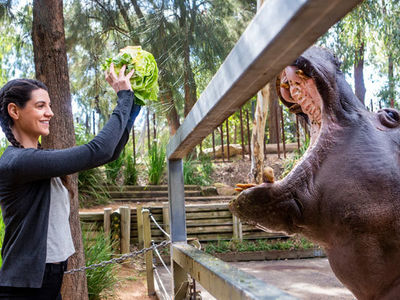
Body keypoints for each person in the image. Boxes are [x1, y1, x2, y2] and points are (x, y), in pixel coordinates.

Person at [0, 64, 140, 299]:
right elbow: (98, 150)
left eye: (50, 105)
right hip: (24, 289)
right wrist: (123, 97)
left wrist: (134, 106)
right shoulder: (18, 161)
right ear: (15, 111)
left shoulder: (38, 162)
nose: (50, 113)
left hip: (48, 280)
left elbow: (111, 152)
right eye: (40, 106)